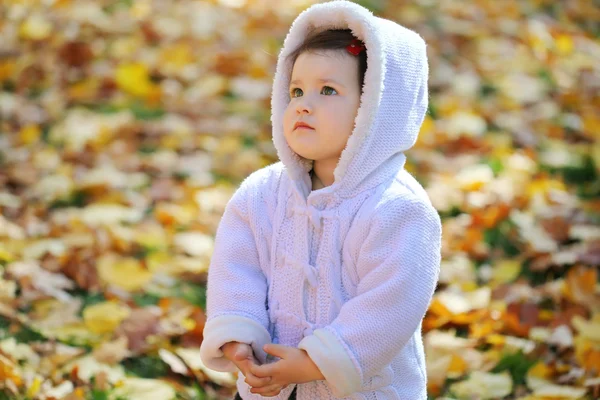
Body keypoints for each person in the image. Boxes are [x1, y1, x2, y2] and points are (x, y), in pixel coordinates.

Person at [199, 1, 442, 399]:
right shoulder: (260, 195)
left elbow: (389, 307)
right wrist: (238, 334)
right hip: (268, 385)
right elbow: (237, 270)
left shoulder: (399, 210)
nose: (303, 104)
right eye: (296, 90)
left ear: (377, 111)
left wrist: (315, 364)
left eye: (327, 90)